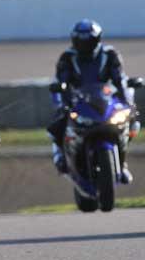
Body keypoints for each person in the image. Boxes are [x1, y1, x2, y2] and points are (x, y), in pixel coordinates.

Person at [49, 19, 136, 182]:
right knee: (56, 125)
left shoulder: (110, 55)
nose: (84, 45)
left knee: (131, 122)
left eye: (88, 40)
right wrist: (61, 104)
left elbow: (120, 80)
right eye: (80, 41)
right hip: (78, 103)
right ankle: (60, 156)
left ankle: (122, 164)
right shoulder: (67, 58)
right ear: (74, 40)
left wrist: (127, 103)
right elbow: (60, 83)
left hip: (105, 101)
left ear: (97, 39)